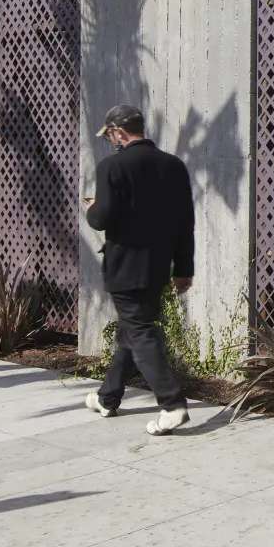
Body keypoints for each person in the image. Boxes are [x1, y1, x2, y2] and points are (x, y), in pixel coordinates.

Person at [83, 104, 195, 435]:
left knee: (140, 332)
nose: (111, 142)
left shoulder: (111, 167)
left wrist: (91, 209)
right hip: (158, 267)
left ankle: (172, 404)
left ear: (118, 131)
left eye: (110, 136)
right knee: (131, 333)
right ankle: (107, 397)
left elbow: (102, 218)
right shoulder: (173, 166)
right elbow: (183, 223)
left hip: (125, 268)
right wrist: (183, 269)